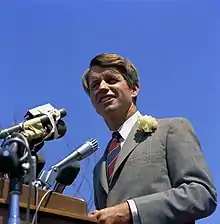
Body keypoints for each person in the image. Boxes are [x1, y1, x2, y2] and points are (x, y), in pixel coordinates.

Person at [81, 53, 217, 224]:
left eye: (111, 80)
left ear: (134, 89)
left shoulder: (171, 129)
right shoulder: (99, 167)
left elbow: (202, 194)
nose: (102, 87)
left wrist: (131, 211)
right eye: (94, 85)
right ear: (93, 103)